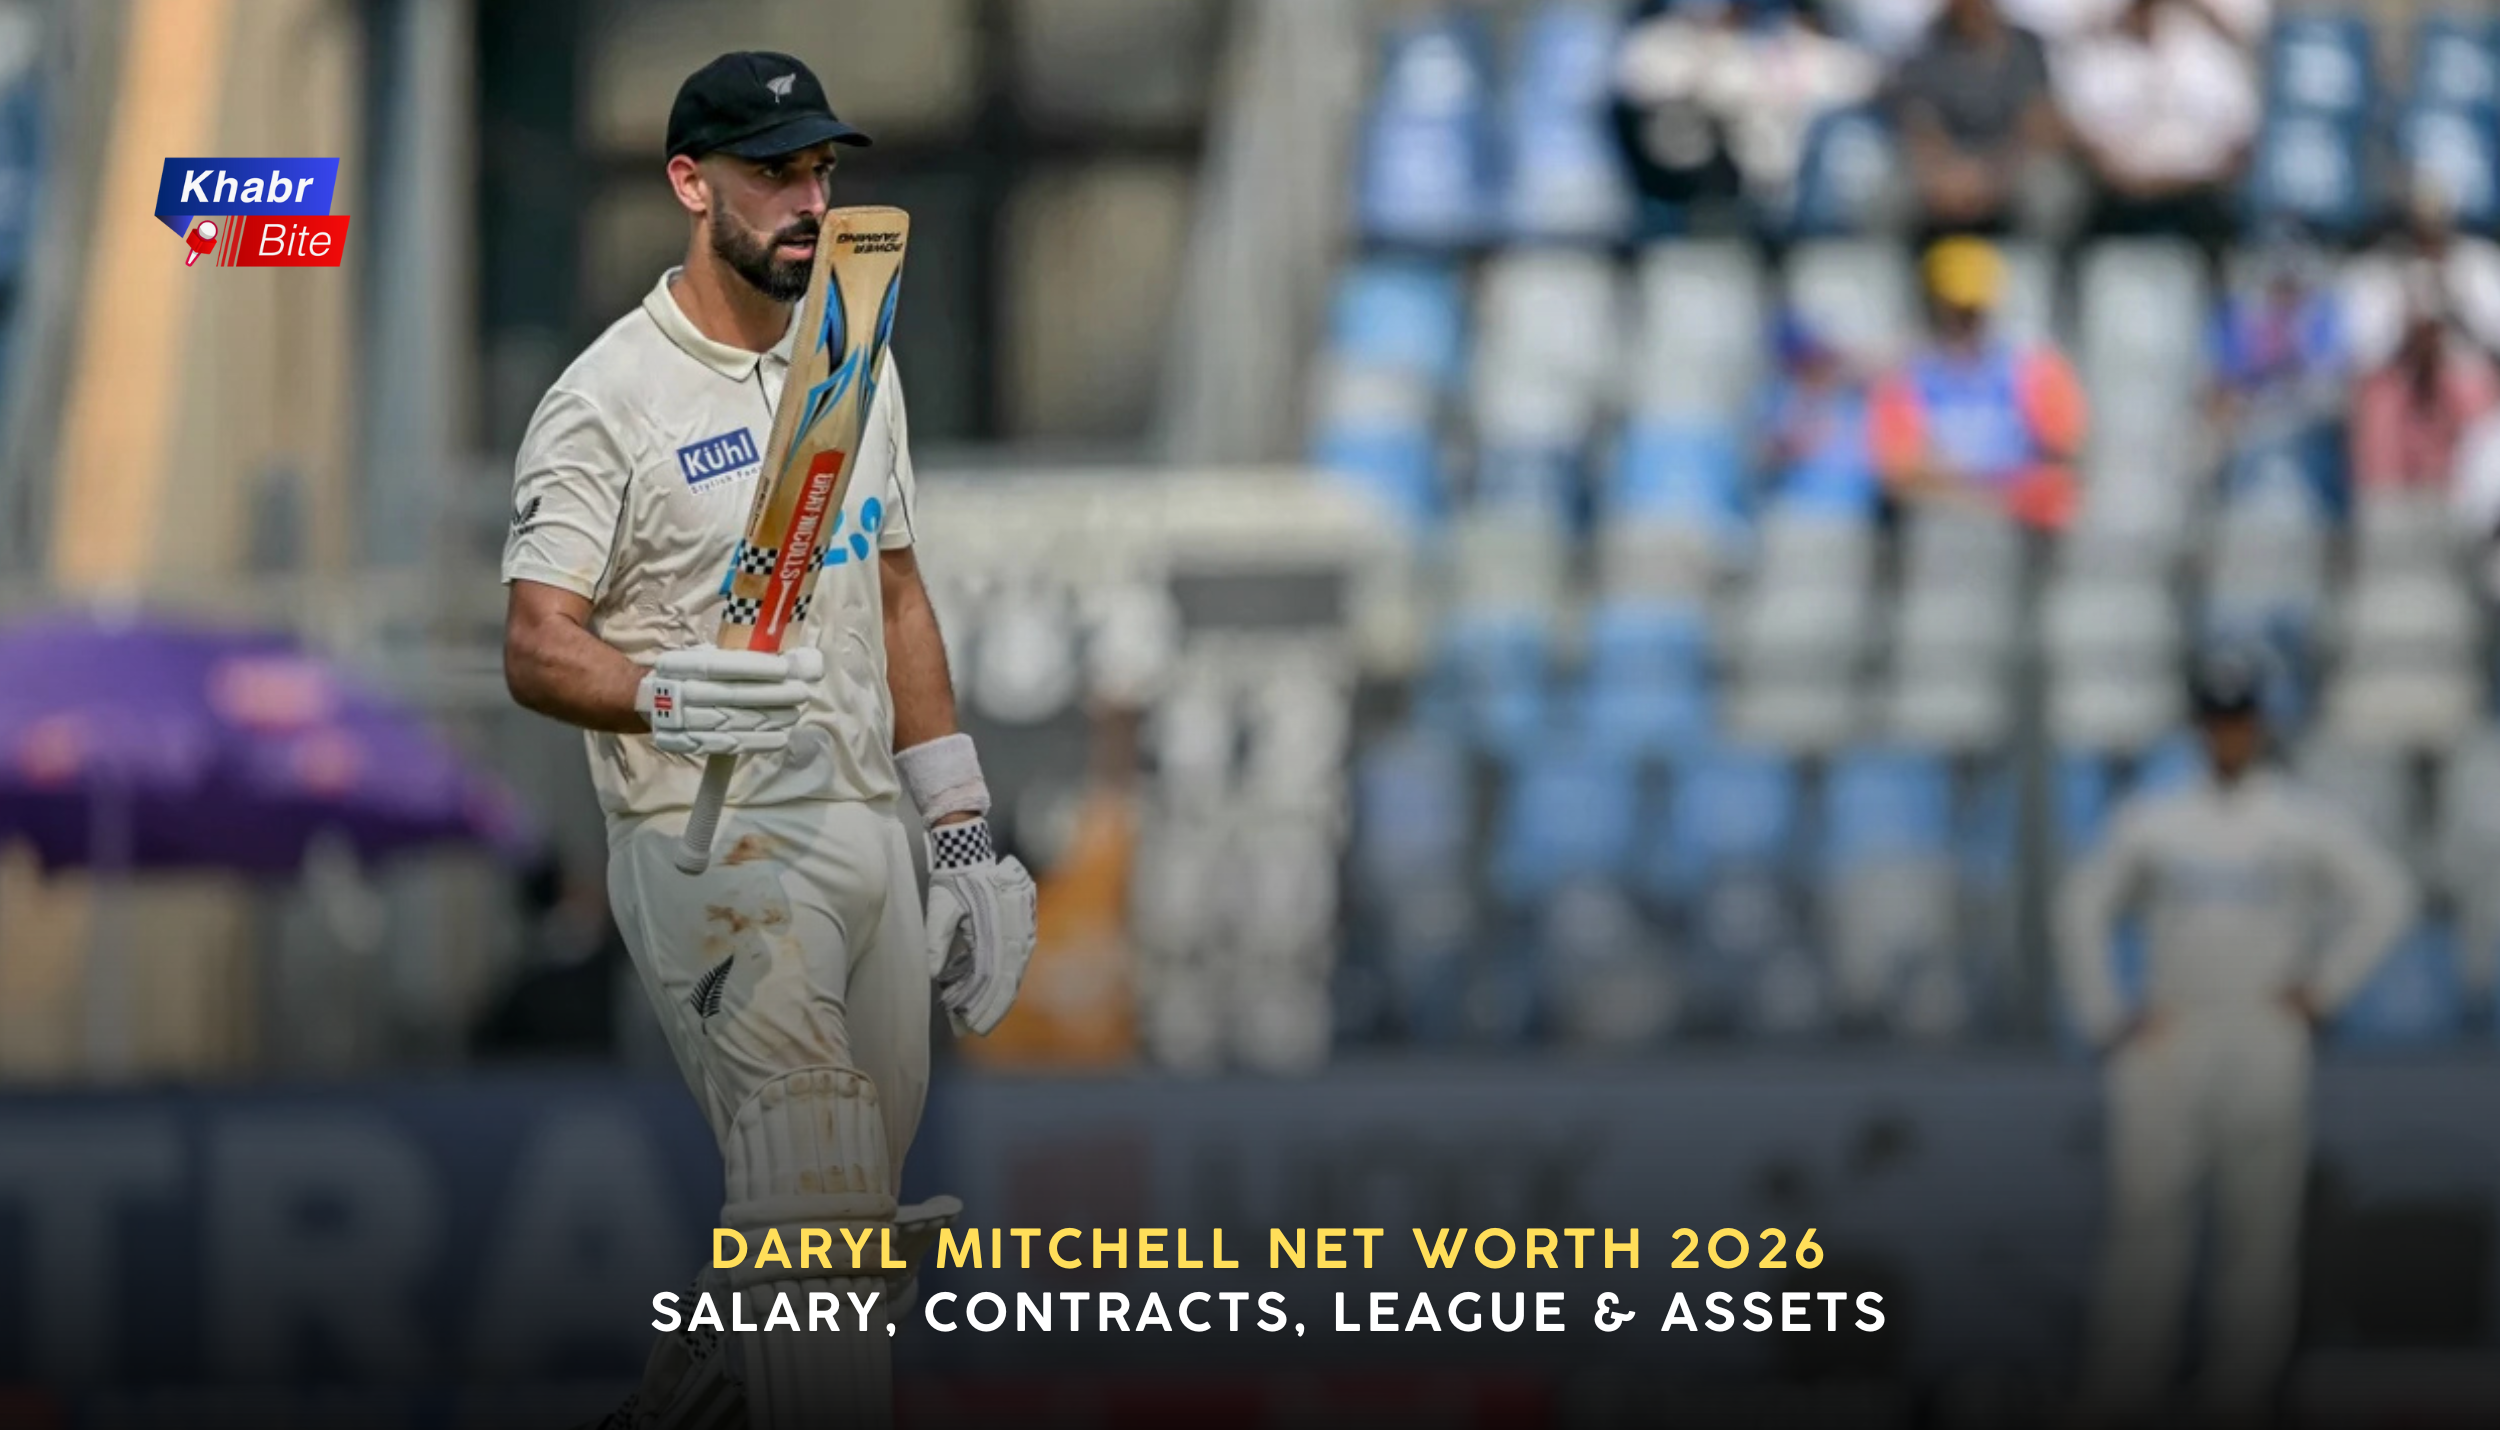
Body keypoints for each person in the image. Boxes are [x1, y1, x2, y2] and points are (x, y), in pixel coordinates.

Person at [498, 52, 1038, 1430]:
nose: (809, 202)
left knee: (838, 1229)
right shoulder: (606, 399)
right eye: (773, 173)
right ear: (691, 184)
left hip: (861, 825)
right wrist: (665, 697)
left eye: (820, 171)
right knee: (813, 1150)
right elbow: (536, 644)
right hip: (708, 833)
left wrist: (959, 832)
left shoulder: (852, 348)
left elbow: (895, 589)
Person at [2057, 650, 2413, 1423]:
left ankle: (2241, 1399)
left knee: (2258, 1238)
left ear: (2259, 725)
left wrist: (2323, 990)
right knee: (2147, 1232)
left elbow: (2387, 896)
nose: (2230, 735)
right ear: (2198, 727)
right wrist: (2107, 1015)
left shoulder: (2299, 819)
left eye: (2241, 720)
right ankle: (2124, 1397)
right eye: (2217, 721)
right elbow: (2081, 904)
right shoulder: (2155, 820)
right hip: (2172, 1034)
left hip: (2263, 1033)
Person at [1870, 235, 2088, 530]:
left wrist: (1987, 494)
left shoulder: (2037, 369)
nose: (1962, 320)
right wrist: (1983, 496)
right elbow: (1897, 473)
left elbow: (2062, 457)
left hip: (2019, 527)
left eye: (1972, 309)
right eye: (1952, 308)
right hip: (1934, 523)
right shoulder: (1905, 376)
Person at [2054, 0, 2261, 254]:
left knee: (2225, 222)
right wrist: (2135, 180)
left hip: (2198, 192)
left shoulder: (2204, 53)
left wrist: (2184, 179)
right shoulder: (2095, 58)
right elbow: (2086, 143)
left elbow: (2238, 141)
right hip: (2119, 193)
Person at [1886, 0, 2070, 241]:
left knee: (2050, 189)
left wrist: (1994, 175)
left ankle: (2039, 264)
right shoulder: (1921, 45)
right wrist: (1948, 174)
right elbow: (1919, 124)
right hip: (1945, 166)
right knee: (1890, 192)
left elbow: (2038, 123)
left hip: (2009, 162)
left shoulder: (2026, 45)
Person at [2349, 285, 2500, 499]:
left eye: (2433, 332)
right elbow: (2380, 470)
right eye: (2418, 331)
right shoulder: (2380, 392)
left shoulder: (2467, 385)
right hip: (2398, 500)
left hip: (2453, 498)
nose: (2427, 342)